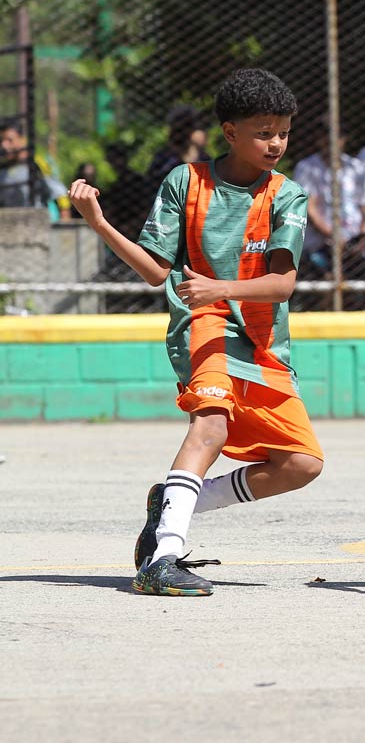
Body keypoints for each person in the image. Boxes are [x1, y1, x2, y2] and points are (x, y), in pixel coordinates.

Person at [67, 68, 323, 597]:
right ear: (229, 132)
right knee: (211, 427)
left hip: (262, 341)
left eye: (283, 132)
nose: (276, 143)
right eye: (264, 132)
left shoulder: (287, 195)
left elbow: (281, 285)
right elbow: (155, 271)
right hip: (203, 326)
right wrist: (98, 222)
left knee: (301, 464)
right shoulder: (185, 182)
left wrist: (220, 287)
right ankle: (162, 558)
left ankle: (171, 502)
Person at [293, 121, 365, 287]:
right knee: (329, 281)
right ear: (319, 139)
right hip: (320, 243)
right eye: (326, 136)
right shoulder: (307, 168)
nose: (332, 141)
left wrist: (362, 237)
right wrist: (334, 236)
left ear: (344, 140)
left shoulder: (356, 168)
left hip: (353, 243)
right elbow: (309, 208)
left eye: (338, 136)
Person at [0, 118, 68, 221]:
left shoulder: (36, 164)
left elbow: (60, 195)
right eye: (1, 140)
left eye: (9, 140)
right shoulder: (3, 169)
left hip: (35, 224)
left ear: (22, 139)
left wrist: (65, 225)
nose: (4, 145)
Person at [147, 105, 211, 190]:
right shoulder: (165, 160)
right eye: (201, 128)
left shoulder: (207, 161)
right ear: (189, 132)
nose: (206, 133)